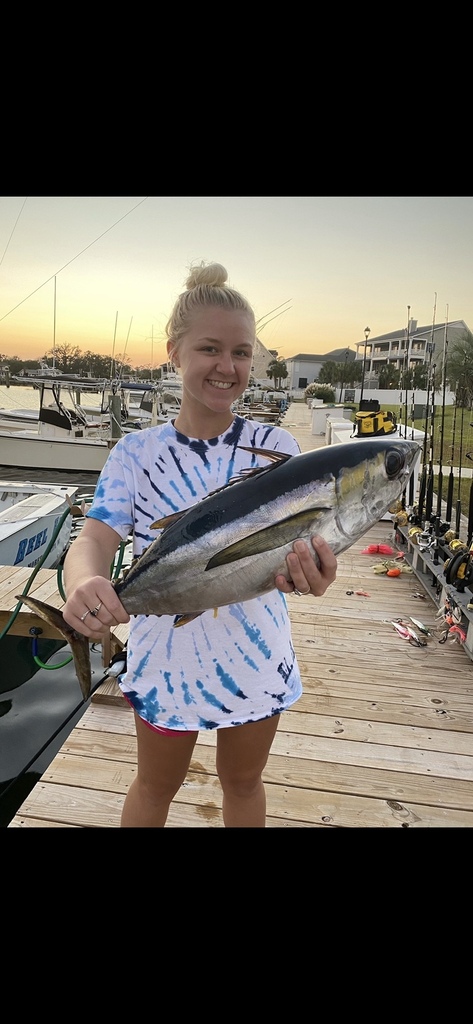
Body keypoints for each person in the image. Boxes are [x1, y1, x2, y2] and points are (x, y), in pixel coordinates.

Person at [61, 261, 338, 827]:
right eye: (210, 348)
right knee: (155, 786)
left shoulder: (275, 447)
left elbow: (304, 546)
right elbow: (93, 536)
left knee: (243, 785)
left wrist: (318, 573)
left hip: (257, 654)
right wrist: (83, 582)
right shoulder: (135, 454)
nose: (227, 366)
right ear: (174, 352)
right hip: (166, 659)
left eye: (241, 353)